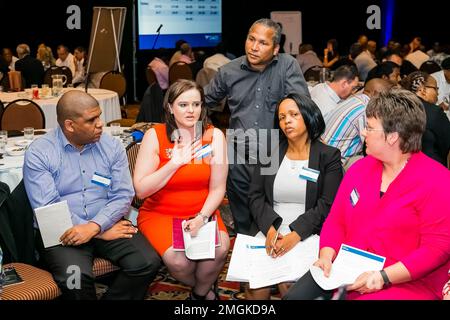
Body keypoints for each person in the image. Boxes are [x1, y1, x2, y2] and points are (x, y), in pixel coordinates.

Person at [285, 89, 450, 300]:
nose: (363, 133)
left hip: (403, 280)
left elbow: (436, 249)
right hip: (345, 268)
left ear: (392, 137)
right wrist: (326, 256)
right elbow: (336, 221)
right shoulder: (360, 169)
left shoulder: (437, 180)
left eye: (370, 128)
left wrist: (383, 276)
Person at [23, 90, 161, 300]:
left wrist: (95, 226)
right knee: (75, 278)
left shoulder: (111, 146)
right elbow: (48, 207)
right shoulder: (40, 152)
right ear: (70, 125)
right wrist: (97, 231)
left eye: (99, 117)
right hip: (62, 229)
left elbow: (123, 194)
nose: (100, 124)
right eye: (91, 120)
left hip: (106, 220)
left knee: (147, 262)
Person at [205, 18, 309, 235]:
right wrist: (207, 133)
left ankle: (271, 259)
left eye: (262, 43)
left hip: (275, 151)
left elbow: (301, 106)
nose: (254, 47)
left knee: (273, 212)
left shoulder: (287, 66)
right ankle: (246, 256)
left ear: (276, 48)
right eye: (251, 39)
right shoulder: (228, 71)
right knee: (242, 215)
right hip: (238, 153)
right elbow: (203, 101)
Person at [134, 80, 230, 300]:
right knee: (178, 261)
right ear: (169, 107)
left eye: (196, 104)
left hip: (202, 210)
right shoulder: (154, 136)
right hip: (160, 213)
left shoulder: (214, 136)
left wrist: (202, 217)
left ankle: (198, 295)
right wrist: (175, 163)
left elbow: (218, 188)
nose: (191, 111)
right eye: (183, 104)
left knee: (220, 250)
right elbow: (140, 190)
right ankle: (206, 290)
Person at [246, 94, 343, 299]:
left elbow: (327, 204)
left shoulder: (328, 156)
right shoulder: (271, 153)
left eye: (293, 114)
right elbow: (255, 196)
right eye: (281, 117)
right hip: (270, 227)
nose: (286, 121)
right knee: (256, 284)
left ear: (308, 116)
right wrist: (270, 231)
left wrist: (295, 235)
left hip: (310, 230)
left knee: (290, 285)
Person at [400, 71, 450, 166]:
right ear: (423, 90)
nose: (438, 93)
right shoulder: (434, 112)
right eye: (435, 88)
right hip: (429, 167)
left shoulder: (395, 107)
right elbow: (445, 143)